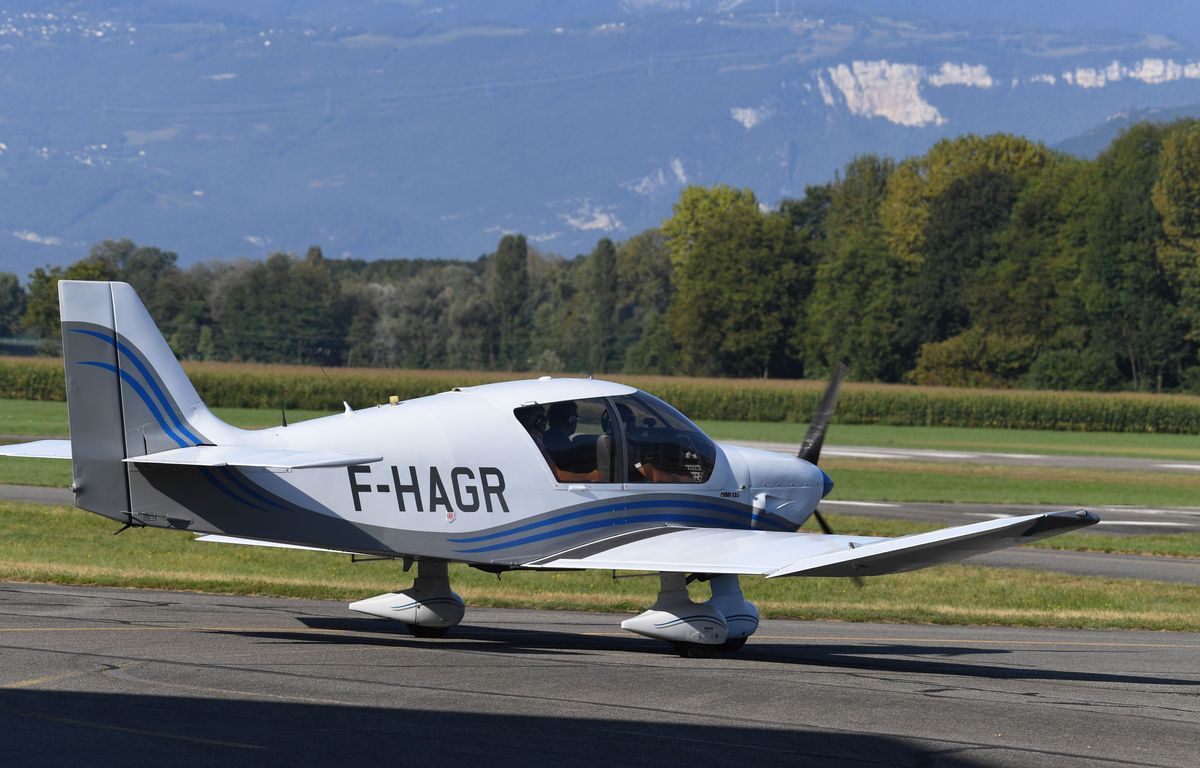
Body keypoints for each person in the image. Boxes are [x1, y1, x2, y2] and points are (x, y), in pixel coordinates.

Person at [515, 405, 602, 483]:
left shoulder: (534, 440)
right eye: (541, 419)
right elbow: (556, 475)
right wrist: (589, 477)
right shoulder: (534, 442)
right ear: (572, 420)